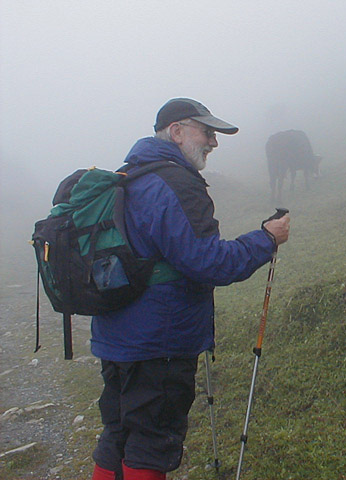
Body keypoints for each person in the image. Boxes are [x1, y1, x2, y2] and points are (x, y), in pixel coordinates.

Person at [90, 98, 290, 480]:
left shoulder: (127, 176)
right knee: (150, 442)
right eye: (207, 132)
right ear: (177, 131)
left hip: (115, 335)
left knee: (117, 432)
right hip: (159, 341)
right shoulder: (176, 182)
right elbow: (208, 262)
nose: (213, 142)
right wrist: (266, 239)